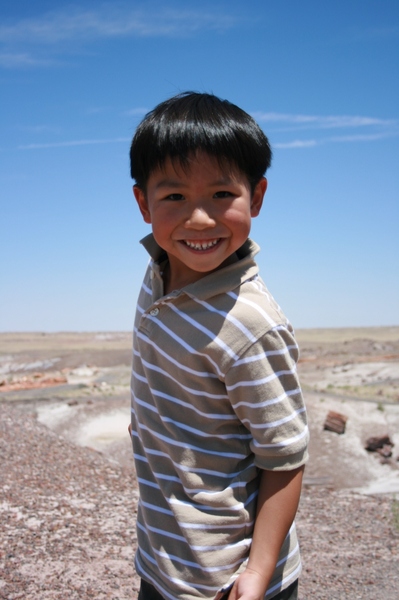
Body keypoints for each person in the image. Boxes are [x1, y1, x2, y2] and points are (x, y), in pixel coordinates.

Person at [129, 92, 309, 600]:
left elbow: (285, 457)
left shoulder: (250, 325)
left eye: (221, 195)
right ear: (143, 204)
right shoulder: (161, 268)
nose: (200, 220)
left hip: (226, 577)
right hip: (164, 557)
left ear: (256, 196)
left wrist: (257, 573)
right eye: (175, 198)